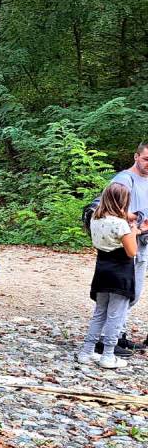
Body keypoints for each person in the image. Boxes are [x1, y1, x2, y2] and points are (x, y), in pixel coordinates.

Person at [78, 183, 139, 369]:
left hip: (102, 272)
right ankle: (108, 355)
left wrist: (131, 221)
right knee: (115, 316)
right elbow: (132, 251)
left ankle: (86, 351)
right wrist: (134, 231)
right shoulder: (120, 225)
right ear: (123, 201)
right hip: (120, 275)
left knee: (99, 313)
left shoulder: (94, 219)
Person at [108, 142, 148, 355]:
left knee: (133, 293)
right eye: (146, 159)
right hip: (124, 243)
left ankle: (118, 335)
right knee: (120, 293)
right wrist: (138, 220)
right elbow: (111, 209)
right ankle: (107, 340)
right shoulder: (124, 180)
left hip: (142, 243)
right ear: (136, 157)